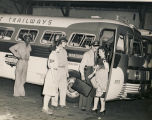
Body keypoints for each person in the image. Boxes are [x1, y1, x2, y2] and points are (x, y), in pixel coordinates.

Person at [79, 41, 100, 111]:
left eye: (97, 47)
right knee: (85, 88)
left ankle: (88, 106)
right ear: (92, 46)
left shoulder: (96, 54)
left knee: (92, 89)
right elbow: (81, 65)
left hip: (93, 72)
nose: (95, 48)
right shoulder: (87, 54)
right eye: (94, 46)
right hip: (87, 71)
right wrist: (82, 75)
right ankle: (83, 106)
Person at [88, 45, 109, 115]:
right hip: (98, 78)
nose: (98, 53)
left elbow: (107, 69)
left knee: (101, 93)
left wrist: (99, 68)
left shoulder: (104, 60)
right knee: (98, 93)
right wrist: (93, 74)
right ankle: (96, 108)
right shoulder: (99, 59)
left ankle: (102, 109)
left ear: (104, 52)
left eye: (100, 51)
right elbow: (96, 68)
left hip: (102, 78)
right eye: (98, 51)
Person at [51, 37, 69, 108]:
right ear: (61, 42)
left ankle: (62, 103)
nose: (66, 44)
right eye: (65, 42)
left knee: (63, 87)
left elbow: (66, 62)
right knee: (55, 87)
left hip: (63, 70)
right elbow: (52, 60)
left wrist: (67, 72)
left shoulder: (65, 51)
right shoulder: (55, 50)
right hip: (57, 69)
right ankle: (54, 103)